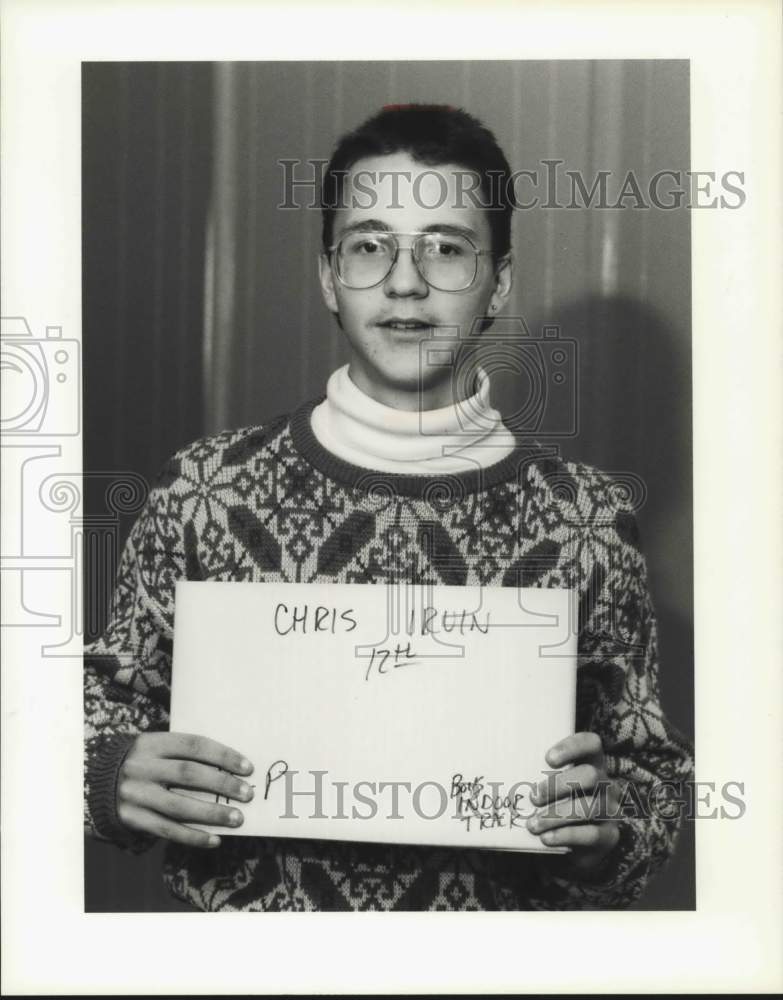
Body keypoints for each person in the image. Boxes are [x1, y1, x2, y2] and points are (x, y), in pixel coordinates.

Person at [84, 104, 694, 911]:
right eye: (369, 245)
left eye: (445, 247)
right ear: (328, 276)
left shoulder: (586, 519)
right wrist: (106, 771)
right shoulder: (201, 490)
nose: (404, 280)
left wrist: (606, 833)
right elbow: (94, 711)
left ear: (498, 282)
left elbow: (651, 783)